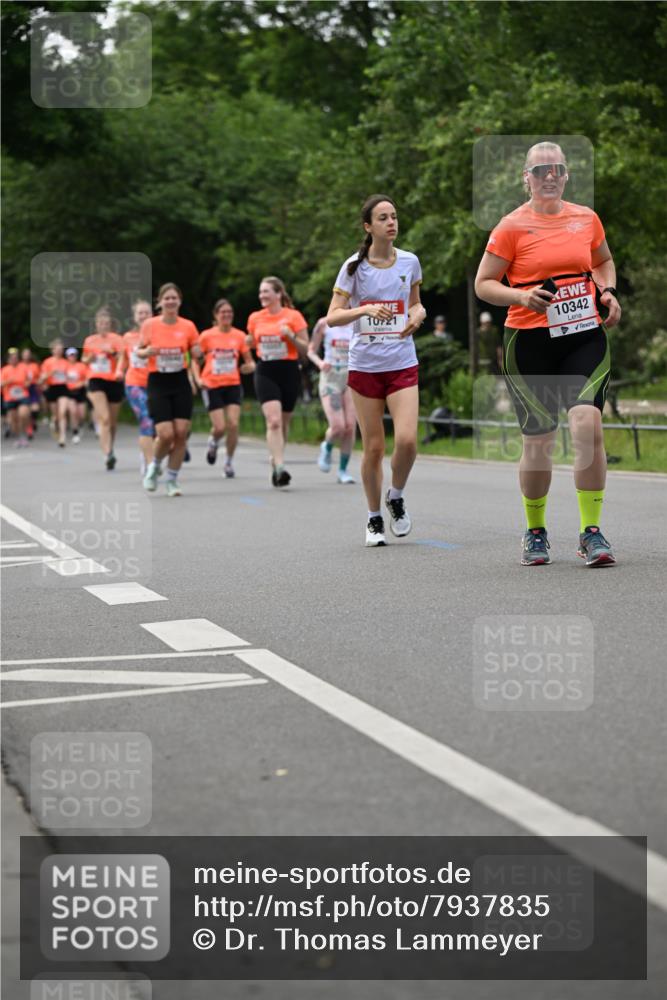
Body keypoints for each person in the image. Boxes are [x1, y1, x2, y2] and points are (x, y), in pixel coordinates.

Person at [474, 141, 621, 567]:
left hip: (584, 335)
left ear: (567, 174)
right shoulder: (510, 226)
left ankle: (591, 532)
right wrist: (521, 296)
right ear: (527, 178)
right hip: (530, 343)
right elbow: (484, 284)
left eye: (557, 168)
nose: (550, 176)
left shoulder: (586, 218)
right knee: (538, 443)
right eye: (540, 171)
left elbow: (604, 261)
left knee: (587, 424)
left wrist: (607, 291)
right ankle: (535, 531)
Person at [326, 193, 426, 546]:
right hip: (365, 367)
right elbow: (332, 316)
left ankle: (395, 496)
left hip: (401, 361)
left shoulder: (410, 262)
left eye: (394, 216)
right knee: (373, 449)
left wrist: (418, 315)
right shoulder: (354, 267)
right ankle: (373, 518)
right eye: (383, 218)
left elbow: (415, 305)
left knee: (408, 441)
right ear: (369, 226)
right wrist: (363, 311)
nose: (391, 222)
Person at [137, 283, 201, 497]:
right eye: (167, 298)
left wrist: (198, 351)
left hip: (180, 381)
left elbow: (196, 351)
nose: (171, 302)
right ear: (160, 302)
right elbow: (139, 351)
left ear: (180, 301)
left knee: (181, 433)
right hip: (158, 382)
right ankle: (154, 467)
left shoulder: (188, 326)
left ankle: (172, 479)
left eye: (174, 298)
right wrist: (148, 351)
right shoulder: (150, 325)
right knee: (165, 434)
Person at [246, 276, 309, 487]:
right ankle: (281, 467)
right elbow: (253, 344)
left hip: (289, 370)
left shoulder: (294, 316)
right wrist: (249, 343)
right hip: (265, 370)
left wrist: (291, 336)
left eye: (266, 292)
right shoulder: (255, 318)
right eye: (260, 292)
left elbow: (305, 349)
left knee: (283, 422)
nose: (262, 296)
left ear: (278, 294)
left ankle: (275, 460)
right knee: (273, 421)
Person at [193, 298, 255, 478]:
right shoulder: (206, 336)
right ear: (216, 315)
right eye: (223, 312)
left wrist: (249, 367)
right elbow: (194, 361)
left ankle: (228, 462)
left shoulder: (240, 336)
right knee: (219, 427)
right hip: (211, 384)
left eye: (229, 312)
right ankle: (213, 442)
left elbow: (249, 361)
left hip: (233, 384)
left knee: (233, 424)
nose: (227, 315)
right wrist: (197, 379)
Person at [307, 315, 356, 484]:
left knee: (350, 427)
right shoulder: (323, 324)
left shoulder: (357, 322)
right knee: (338, 427)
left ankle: (343, 470)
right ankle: (327, 447)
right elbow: (311, 350)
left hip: (351, 377)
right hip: (331, 378)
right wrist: (320, 363)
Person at [81, 307, 125, 469]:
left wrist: (112, 353)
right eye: (100, 323)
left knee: (112, 422)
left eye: (106, 323)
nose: (103, 325)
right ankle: (107, 454)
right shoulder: (90, 340)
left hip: (114, 380)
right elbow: (84, 360)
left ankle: (110, 449)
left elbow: (122, 358)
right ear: (96, 324)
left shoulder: (117, 339)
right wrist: (90, 357)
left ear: (110, 324)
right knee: (104, 418)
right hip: (96, 379)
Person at [118, 300, 155, 477]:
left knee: (157, 424)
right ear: (134, 317)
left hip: (156, 383)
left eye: (146, 312)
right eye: (140, 313)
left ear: (152, 314)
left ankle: (145, 451)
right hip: (134, 383)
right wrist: (119, 370)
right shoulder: (127, 338)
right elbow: (123, 359)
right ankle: (150, 464)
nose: (143, 316)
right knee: (146, 419)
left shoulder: (158, 334)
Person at [39, 339, 70, 446]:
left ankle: (63, 436)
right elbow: (41, 379)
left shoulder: (66, 362)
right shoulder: (47, 362)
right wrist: (51, 373)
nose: (59, 351)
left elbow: (71, 376)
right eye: (57, 349)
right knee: (56, 415)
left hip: (63, 388)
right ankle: (55, 424)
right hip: (52, 388)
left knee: (62, 412)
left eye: (61, 349)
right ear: (52, 350)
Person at [1, 348, 31, 447]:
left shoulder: (23, 368)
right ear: (9, 359)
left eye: (16, 358)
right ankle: (18, 436)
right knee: (13, 420)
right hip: (9, 397)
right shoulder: (4, 370)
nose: (14, 360)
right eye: (12, 358)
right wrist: (8, 381)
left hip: (22, 395)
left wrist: (27, 383)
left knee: (23, 414)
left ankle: (24, 434)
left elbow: (29, 380)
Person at [64, 347, 88, 444]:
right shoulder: (64, 366)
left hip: (80, 392)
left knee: (81, 414)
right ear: (67, 356)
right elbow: (60, 379)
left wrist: (81, 384)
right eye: (70, 355)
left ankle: (80, 425)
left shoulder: (81, 366)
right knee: (73, 412)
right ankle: (75, 433)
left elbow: (87, 379)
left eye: (74, 355)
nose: (72, 357)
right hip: (69, 392)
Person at [20, 348, 41, 437]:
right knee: (26, 411)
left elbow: (39, 377)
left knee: (35, 409)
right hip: (22, 389)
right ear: (22, 356)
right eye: (25, 354)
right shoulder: (19, 365)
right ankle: (29, 429)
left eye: (28, 354)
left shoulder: (34, 365)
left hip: (33, 388)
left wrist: (38, 383)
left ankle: (33, 421)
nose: (27, 356)